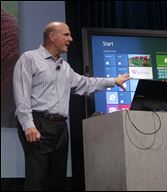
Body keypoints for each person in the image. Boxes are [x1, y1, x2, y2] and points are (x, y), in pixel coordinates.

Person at [12, 21, 131, 191]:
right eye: (66, 34)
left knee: (59, 180)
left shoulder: (65, 67)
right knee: (37, 179)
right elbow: (21, 94)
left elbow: (85, 84)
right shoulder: (29, 59)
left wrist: (113, 81)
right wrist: (28, 125)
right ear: (52, 37)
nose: (71, 39)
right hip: (38, 124)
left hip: (60, 127)